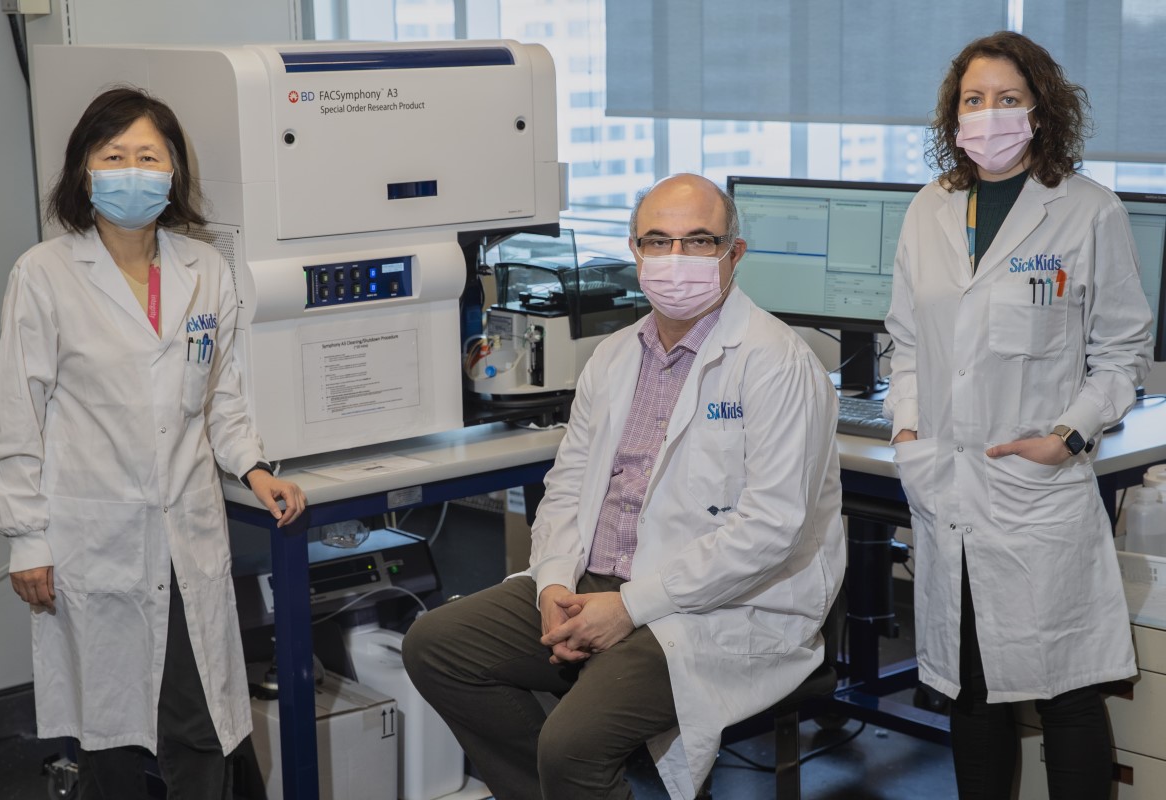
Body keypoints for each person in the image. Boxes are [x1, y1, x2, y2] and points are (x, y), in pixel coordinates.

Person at [403, 174, 845, 800]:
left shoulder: (776, 363)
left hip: (711, 606)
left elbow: (771, 530)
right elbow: (568, 485)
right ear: (634, 252)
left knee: (571, 745)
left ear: (734, 254)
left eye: (699, 241)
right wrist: (554, 582)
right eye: (657, 241)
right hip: (593, 583)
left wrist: (631, 607)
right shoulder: (614, 357)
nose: (676, 260)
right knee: (438, 647)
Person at [0, 87, 307, 800]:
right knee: (115, 737)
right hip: (92, 537)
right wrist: (26, 538)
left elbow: (220, 393)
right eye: (114, 155)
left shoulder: (204, 270)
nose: (133, 170)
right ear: (84, 172)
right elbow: (16, 415)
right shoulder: (44, 274)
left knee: (203, 725)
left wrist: (253, 467)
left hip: (185, 532)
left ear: (173, 172)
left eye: (148, 156)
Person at [884, 31, 1152, 800]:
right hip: (948, 484)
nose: (988, 114)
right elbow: (906, 339)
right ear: (953, 114)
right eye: (974, 100)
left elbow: (1124, 352)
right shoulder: (929, 209)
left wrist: (1067, 436)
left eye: (1007, 99)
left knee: (1065, 691)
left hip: (1036, 493)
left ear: (1040, 109)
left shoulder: (1087, 211)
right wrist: (907, 430)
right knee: (971, 689)